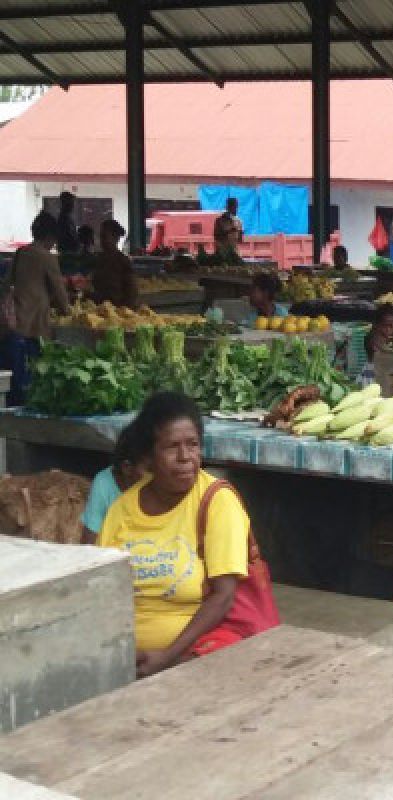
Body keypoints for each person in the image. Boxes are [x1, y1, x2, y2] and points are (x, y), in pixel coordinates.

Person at [97, 392, 252, 677]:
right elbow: (101, 592)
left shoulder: (216, 501)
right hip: (127, 658)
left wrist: (167, 657)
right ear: (149, 457)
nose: (186, 458)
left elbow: (223, 596)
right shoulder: (121, 510)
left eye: (192, 445)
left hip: (196, 653)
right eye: (172, 447)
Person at [3, 211, 71, 405]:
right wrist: (68, 312)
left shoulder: (21, 253)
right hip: (36, 322)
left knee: (17, 373)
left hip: (16, 321)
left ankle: (16, 404)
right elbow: (59, 291)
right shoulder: (48, 258)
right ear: (50, 236)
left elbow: (6, 284)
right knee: (35, 370)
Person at [81, 423, 149, 545]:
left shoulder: (158, 485)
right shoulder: (103, 484)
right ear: (127, 468)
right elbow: (89, 543)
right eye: (149, 468)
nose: (157, 473)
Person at [90, 219, 139, 308]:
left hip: (117, 310)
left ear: (115, 238)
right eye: (100, 236)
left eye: (104, 237)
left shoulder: (122, 261)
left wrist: (126, 311)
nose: (101, 241)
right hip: (100, 309)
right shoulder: (99, 259)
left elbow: (132, 291)